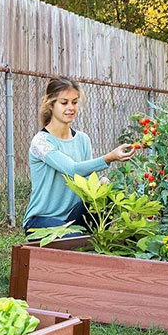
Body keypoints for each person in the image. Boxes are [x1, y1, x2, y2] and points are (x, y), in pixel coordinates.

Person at [23, 76, 136, 235]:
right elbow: (72, 169)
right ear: (51, 104)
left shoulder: (83, 139)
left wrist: (101, 183)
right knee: (73, 238)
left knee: (106, 190)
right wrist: (109, 157)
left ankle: (94, 236)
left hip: (74, 217)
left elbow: (87, 183)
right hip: (41, 220)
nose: (70, 107)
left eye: (74, 102)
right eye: (64, 102)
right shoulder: (41, 142)